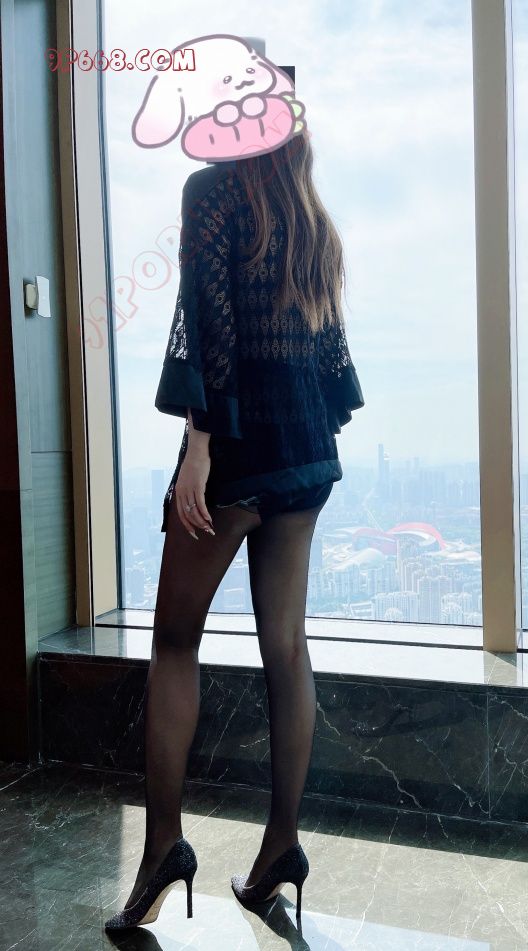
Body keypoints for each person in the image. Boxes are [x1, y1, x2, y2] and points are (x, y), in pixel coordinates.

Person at [104, 129, 364, 931]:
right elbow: (330, 353)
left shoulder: (212, 193)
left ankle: (163, 847)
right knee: (287, 648)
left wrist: (199, 450)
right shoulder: (313, 219)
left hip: (238, 454)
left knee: (174, 641)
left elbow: (207, 322)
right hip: (305, 454)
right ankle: (280, 846)